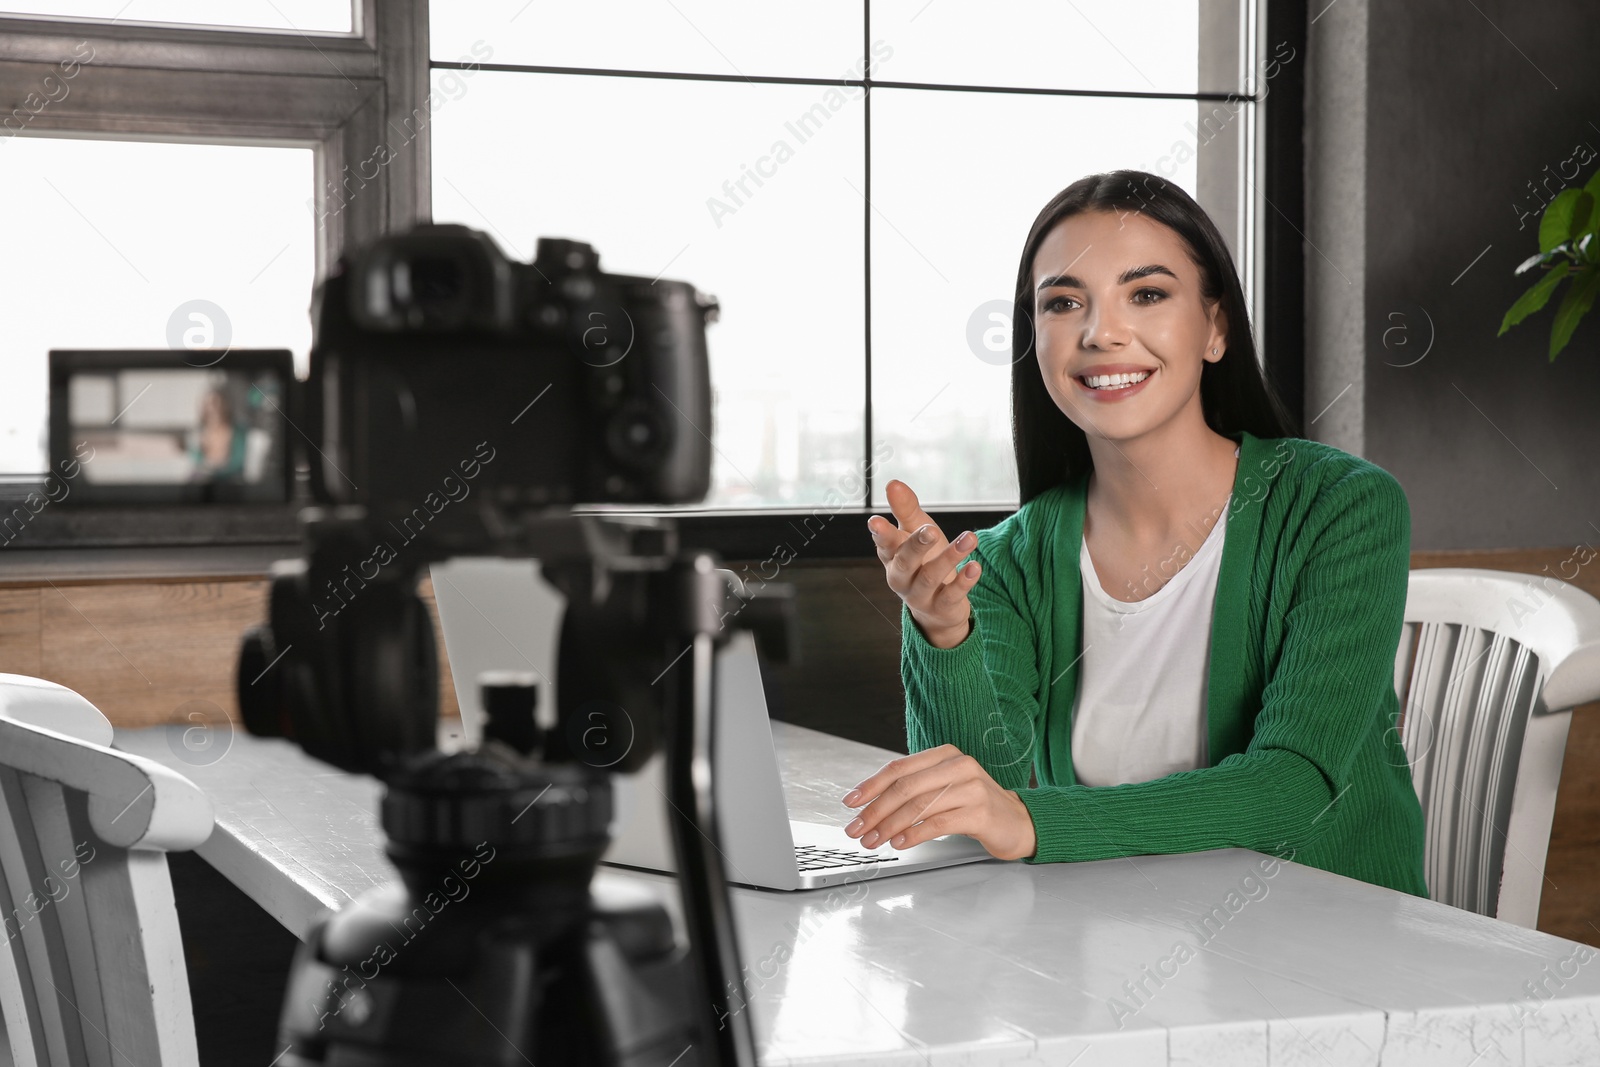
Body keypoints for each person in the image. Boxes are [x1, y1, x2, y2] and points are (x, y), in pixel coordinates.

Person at [846, 169, 1429, 898]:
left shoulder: (1341, 507)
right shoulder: (1005, 562)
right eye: (1063, 302)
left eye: (1146, 294)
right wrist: (942, 632)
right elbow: (975, 799)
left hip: (1334, 960)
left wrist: (1033, 822)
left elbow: (1292, 786)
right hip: (1102, 945)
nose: (1101, 333)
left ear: (1215, 327)